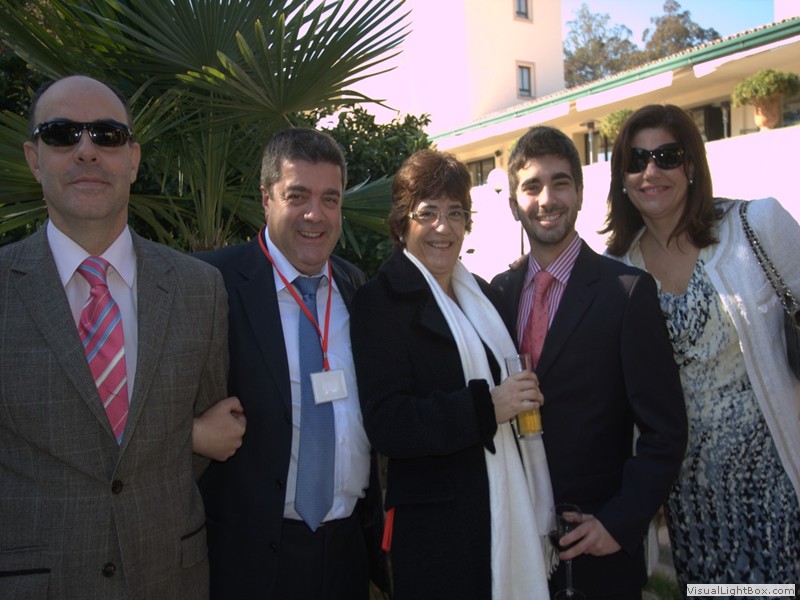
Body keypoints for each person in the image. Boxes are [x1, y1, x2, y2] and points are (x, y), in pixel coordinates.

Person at [0, 75, 241, 599]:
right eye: (62, 134)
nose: (87, 150)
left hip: (169, 578)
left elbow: (211, 429)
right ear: (34, 158)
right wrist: (185, 437)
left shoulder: (201, 289)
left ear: (132, 159)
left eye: (107, 135)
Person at [603, 104, 800, 591]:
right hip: (692, 499)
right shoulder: (617, 271)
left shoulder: (755, 224)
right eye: (636, 160)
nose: (651, 172)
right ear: (622, 178)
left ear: (691, 165)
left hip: (778, 478)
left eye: (667, 156)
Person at [491, 126, 688, 600]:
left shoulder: (627, 292)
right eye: (532, 186)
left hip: (597, 548)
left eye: (560, 183)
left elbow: (666, 431)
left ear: (579, 194)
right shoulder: (498, 294)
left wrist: (619, 523)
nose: (547, 199)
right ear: (514, 203)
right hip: (516, 543)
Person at [350, 149, 553, 600]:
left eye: (456, 213)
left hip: (503, 506)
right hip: (437, 533)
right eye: (428, 213)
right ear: (402, 223)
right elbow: (388, 423)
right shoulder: (378, 302)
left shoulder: (482, 295)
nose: (444, 227)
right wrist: (488, 407)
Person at [196, 127, 388, 599]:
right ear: (266, 199)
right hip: (249, 560)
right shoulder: (212, 283)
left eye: (329, 199)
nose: (314, 215)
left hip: (347, 554)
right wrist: (193, 432)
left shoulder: (356, 287)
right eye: (297, 196)